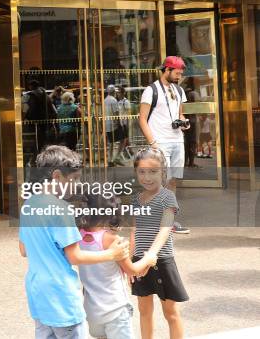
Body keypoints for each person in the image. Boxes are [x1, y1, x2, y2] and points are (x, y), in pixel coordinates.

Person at [18, 145, 130, 339]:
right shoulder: (61, 209)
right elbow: (75, 256)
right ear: (57, 176)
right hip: (61, 296)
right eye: (74, 179)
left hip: (38, 293)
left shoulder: (29, 204)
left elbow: (23, 249)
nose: (76, 184)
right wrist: (112, 254)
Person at [77, 194, 157, 339]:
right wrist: (149, 259)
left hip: (92, 311)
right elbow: (132, 270)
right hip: (115, 310)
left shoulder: (78, 236)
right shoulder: (112, 240)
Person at [131, 147, 188, 339]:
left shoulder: (168, 197)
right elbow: (134, 230)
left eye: (153, 172)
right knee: (144, 311)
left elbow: (165, 229)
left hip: (161, 260)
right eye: (142, 171)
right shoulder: (136, 200)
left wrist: (151, 255)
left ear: (163, 172)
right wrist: (130, 264)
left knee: (170, 312)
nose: (147, 177)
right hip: (139, 261)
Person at [138, 56, 191, 234]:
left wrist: (184, 122)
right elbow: (142, 119)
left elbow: (180, 114)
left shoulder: (179, 90)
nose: (179, 76)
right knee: (161, 181)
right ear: (167, 70)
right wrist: (153, 143)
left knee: (173, 181)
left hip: (177, 140)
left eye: (181, 73)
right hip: (160, 142)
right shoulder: (150, 90)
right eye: (177, 73)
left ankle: (169, 222)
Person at [104, 85, 120, 166]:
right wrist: (118, 123)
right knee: (112, 143)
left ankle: (111, 159)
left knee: (111, 143)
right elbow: (116, 113)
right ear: (113, 91)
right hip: (112, 124)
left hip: (106, 124)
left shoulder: (105, 100)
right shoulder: (113, 100)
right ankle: (111, 160)